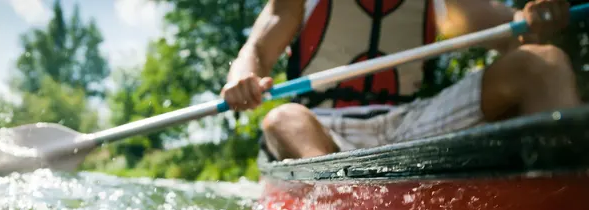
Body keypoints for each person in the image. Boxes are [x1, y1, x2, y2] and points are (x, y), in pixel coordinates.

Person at [220, 0, 581, 162]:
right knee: (283, 119)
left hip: (411, 123)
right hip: (322, 127)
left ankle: (565, 196)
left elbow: (513, 34)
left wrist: (532, 20)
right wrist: (242, 77)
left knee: (542, 62)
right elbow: (257, 51)